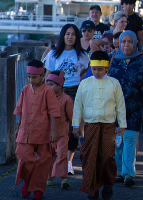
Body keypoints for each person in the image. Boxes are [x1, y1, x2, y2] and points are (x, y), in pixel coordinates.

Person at [72, 51, 126, 200]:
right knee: (89, 157)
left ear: (107, 68)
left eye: (100, 69)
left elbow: (120, 106)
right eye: (94, 69)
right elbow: (78, 106)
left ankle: (107, 183)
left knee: (107, 157)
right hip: (90, 126)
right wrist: (76, 125)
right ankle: (92, 188)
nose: (97, 72)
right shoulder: (85, 83)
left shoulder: (114, 83)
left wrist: (122, 126)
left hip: (108, 126)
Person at [109, 31, 143, 187]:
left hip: (135, 108)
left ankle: (128, 173)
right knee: (118, 141)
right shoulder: (114, 59)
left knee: (130, 139)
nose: (126, 45)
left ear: (136, 43)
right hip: (115, 109)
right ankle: (118, 172)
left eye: (129, 42)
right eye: (123, 42)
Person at [43, 24, 90, 175]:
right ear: (63, 36)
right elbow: (48, 75)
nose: (70, 37)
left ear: (77, 37)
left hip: (74, 90)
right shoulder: (54, 54)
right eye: (67, 34)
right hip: (56, 92)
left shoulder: (81, 54)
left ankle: (69, 162)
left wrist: (78, 78)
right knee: (55, 125)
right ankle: (55, 159)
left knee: (73, 126)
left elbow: (86, 68)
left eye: (73, 34)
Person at [14, 60, 60, 200]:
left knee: (43, 162)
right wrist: (18, 127)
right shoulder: (25, 89)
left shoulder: (48, 91)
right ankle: (28, 182)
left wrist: (54, 131)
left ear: (42, 76)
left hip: (43, 132)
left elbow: (53, 112)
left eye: (34, 77)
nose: (31, 79)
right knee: (24, 159)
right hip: (25, 131)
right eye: (29, 76)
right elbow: (20, 110)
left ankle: (38, 189)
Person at [45, 71, 74, 190]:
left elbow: (71, 116)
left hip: (62, 133)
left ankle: (64, 178)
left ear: (60, 85)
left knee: (62, 155)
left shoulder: (67, 99)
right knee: (48, 156)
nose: (49, 87)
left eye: (51, 84)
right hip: (47, 134)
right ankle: (49, 177)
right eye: (48, 84)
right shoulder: (45, 98)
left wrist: (75, 130)